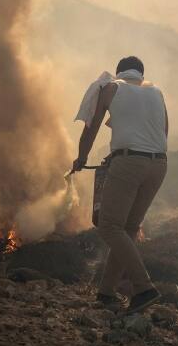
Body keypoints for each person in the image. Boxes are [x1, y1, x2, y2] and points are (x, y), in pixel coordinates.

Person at [72, 55, 168, 313]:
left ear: (119, 73)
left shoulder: (112, 87)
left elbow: (91, 129)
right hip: (159, 164)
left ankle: (144, 287)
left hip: (130, 163)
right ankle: (105, 292)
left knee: (109, 227)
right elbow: (163, 133)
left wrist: (81, 158)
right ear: (141, 74)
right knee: (128, 228)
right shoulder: (156, 92)